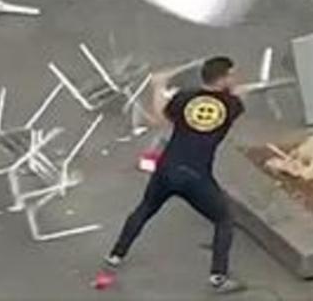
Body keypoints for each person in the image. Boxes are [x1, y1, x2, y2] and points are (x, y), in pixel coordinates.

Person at [105, 56, 246, 295]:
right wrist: (231, 89)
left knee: (145, 208)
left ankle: (116, 254)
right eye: (231, 74)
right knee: (224, 219)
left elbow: (159, 118)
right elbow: (234, 97)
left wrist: (158, 86)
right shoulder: (232, 105)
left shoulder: (184, 98)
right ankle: (218, 277)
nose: (234, 78)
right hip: (196, 176)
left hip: (167, 168)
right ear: (222, 78)